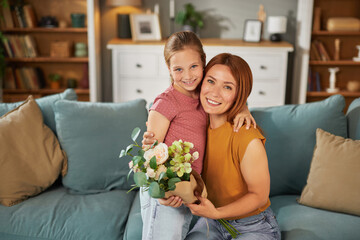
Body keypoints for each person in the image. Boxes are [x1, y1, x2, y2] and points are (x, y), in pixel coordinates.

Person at [140, 31, 256, 240]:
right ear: (169, 69)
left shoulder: (207, 93)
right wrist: (160, 195)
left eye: (193, 66)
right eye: (178, 69)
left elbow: (231, 92)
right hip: (166, 188)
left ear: (204, 62)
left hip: (188, 189)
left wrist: (243, 108)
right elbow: (149, 159)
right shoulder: (166, 102)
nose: (187, 76)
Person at [185, 53, 281, 239]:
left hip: (253, 225)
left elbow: (259, 196)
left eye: (227, 87)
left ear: (239, 95)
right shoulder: (195, 123)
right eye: (211, 81)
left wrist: (217, 213)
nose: (214, 93)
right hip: (212, 222)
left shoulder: (247, 138)